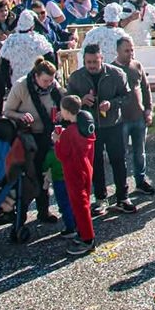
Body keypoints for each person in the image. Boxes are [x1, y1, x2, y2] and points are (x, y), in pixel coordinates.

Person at [66, 42, 136, 214]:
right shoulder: (76, 77)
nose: (91, 66)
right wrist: (80, 101)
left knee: (118, 160)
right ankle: (100, 198)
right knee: (95, 163)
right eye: (88, 62)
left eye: (94, 62)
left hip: (113, 124)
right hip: (90, 128)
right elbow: (68, 102)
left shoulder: (116, 74)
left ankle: (122, 197)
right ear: (84, 60)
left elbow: (127, 97)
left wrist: (111, 103)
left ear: (101, 59)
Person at [3, 56, 64, 224]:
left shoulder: (53, 85)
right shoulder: (22, 86)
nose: (48, 84)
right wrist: (21, 116)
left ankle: (43, 212)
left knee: (44, 175)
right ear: (36, 77)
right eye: (45, 81)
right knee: (29, 176)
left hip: (47, 135)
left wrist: (61, 112)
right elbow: (7, 111)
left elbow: (64, 99)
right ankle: (20, 215)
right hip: (27, 137)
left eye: (51, 81)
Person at [53, 94, 97, 256]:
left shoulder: (69, 132)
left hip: (73, 171)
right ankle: (83, 232)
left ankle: (87, 238)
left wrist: (57, 140)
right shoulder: (84, 128)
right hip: (86, 167)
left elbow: (62, 155)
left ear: (66, 111)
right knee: (83, 202)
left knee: (80, 204)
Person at [114, 38, 155, 196]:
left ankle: (141, 181)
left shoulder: (137, 65)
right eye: (126, 50)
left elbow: (145, 89)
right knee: (121, 154)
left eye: (132, 50)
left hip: (139, 117)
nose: (130, 53)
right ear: (118, 51)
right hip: (120, 120)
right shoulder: (111, 69)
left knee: (140, 152)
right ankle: (122, 185)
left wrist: (149, 110)